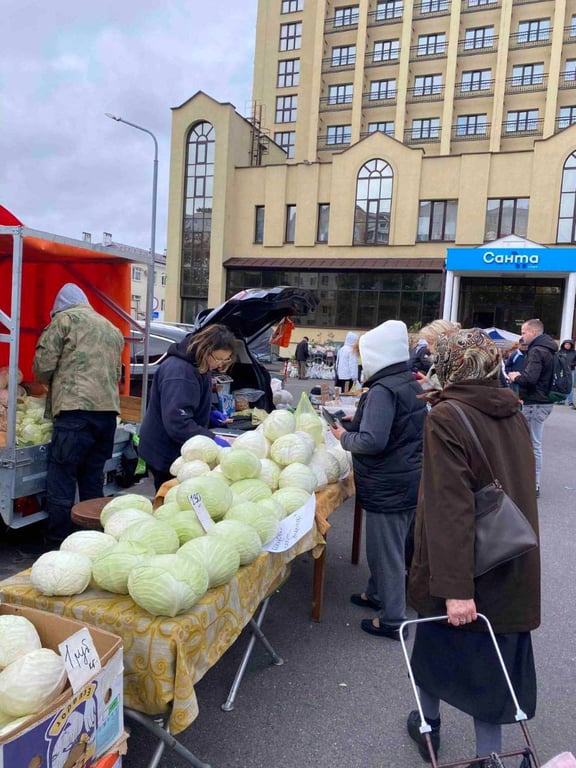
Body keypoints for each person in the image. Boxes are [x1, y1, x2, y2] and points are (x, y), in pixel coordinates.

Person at [406, 328, 540, 768]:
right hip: (510, 552)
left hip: (461, 562)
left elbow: (449, 507)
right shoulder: (511, 409)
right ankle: (490, 756)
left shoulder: (446, 416)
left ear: (449, 367)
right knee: (494, 661)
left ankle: (431, 725)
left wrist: (455, 587)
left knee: (437, 647)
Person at [329, 320, 426, 640]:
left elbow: (372, 441)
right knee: (390, 546)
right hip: (406, 478)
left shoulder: (384, 390)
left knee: (387, 552)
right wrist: (356, 421)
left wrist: (344, 436)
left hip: (389, 483)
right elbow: (396, 429)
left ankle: (393, 619)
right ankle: (377, 594)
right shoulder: (408, 382)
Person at [32, 283, 124, 546]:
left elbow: (43, 365)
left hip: (75, 413)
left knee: (62, 478)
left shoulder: (64, 320)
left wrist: (47, 380)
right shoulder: (111, 327)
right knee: (92, 479)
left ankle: (57, 541)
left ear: (60, 305)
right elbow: (116, 372)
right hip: (107, 415)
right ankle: (91, 541)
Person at [138, 323, 237, 491]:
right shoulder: (180, 372)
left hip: (178, 447)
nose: (220, 365)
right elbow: (178, 422)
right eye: (218, 359)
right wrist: (211, 439)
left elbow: (190, 400)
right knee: (169, 498)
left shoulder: (199, 364)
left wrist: (210, 411)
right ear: (205, 349)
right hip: (166, 452)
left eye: (225, 360)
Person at [507, 318, 556, 497]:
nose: (521, 337)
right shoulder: (549, 349)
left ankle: (532, 484)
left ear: (533, 333)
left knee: (531, 443)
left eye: (523, 332)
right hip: (544, 401)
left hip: (535, 402)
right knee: (532, 442)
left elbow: (530, 379)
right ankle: (530, 483)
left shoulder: (537, 351)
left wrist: (515, 376)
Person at [558, 339, 576, 406]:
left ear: (571, 345)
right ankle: (561, 400)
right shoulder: (560, 352)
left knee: (570, 386)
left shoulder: (574, 352)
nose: (567, 345)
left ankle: (570, 401)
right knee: (562, 385)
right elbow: (557, 360)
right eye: (566, 344)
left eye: (568, 344)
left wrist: (572, 364)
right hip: (562, 370)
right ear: (563, 345)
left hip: (571, 370)